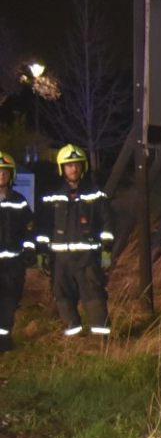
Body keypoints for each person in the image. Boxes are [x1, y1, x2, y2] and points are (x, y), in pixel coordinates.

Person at [37, 144, 113, 338]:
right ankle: (74, 340)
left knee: (94, 297)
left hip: (87, 258)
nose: (74, 169)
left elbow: (107, 223)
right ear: (62, 168)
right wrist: (41, 252)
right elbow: (43, 227)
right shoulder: (51, 196)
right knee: (63, 298)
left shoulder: (95, 194)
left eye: (77, 165)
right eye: (69, 165)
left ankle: (101, 340)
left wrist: (106, 250)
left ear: (83, 166)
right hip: (60, 259)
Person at [0, 152, 34, 354]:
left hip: (13, 265)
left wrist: (29, 251)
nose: (1, 176)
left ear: (11, 175)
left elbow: (29, 229)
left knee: (9, 304)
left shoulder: (20, 201)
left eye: (5, 172)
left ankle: (4, 343)